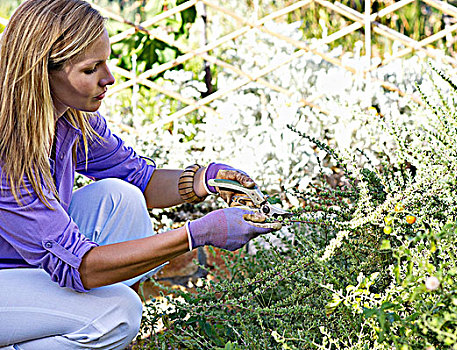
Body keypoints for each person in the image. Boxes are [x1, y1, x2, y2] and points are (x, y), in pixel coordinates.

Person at [0, 1, 281, 349]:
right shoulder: (7, 144)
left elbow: (140, 178)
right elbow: (81, 267)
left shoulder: (69, 117)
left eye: (106, 60)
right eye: (91, 69)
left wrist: (206, 178)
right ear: (42, 71)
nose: (109, 78)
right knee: (118, 313)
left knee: (122, 199)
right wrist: (198, 233)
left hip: (19, 266)